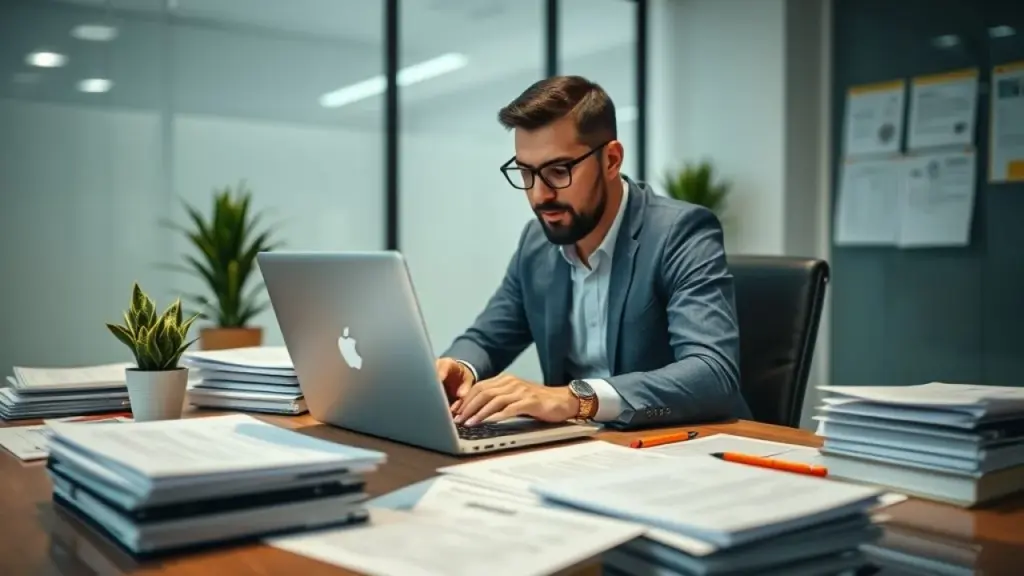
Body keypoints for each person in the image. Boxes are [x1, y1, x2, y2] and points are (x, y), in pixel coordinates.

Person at [436, 75, 752, 429]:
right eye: (526, 173)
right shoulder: (536, 244)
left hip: (679, 445)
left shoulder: (680, 232)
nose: (540, 196)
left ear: (611, 160)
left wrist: (576, 399)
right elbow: (487, 338)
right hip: (578, 450)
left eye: (558, 171)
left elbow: (713, 374)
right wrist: (458, 367)